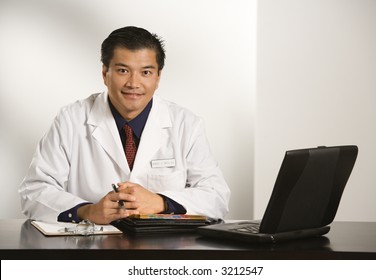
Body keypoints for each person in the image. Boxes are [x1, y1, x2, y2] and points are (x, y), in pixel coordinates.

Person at [19, 26, 230, 225]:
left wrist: (161, 203)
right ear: (105, 73)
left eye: (146, 72)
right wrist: (87, 211)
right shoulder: (71, 119)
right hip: (91, 247)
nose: (134, 84)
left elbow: (216, 196)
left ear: (158, 77)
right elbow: (35, 190)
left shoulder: (186, 124)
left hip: (163, 250)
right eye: (123, 71)